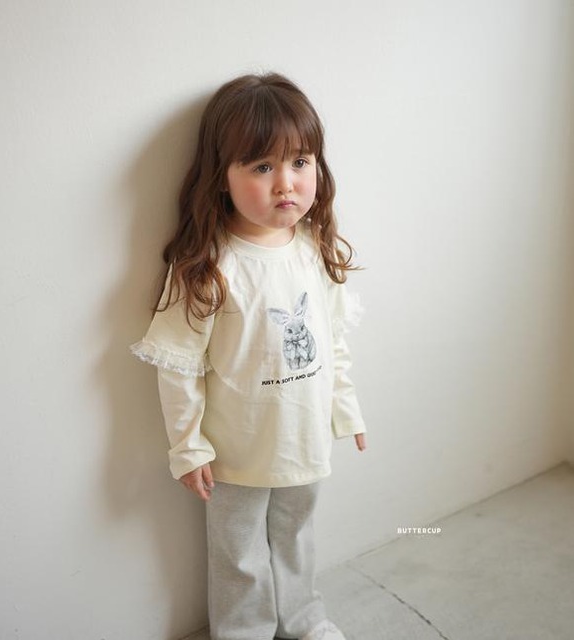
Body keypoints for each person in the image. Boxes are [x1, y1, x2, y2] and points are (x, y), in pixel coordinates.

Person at [130, 71, 368, 640]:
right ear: (222, 176)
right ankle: (244, 631)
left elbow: (333, 341)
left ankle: (304, 620)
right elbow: (177, 367)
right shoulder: (208, 267)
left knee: (296, 537)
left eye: (300, 162)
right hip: (235, 453)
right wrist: (188, 447)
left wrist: (346, 409)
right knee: (238, 554)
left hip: (303, 437)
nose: (286, 183)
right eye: (262, 167)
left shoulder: (315, 249)